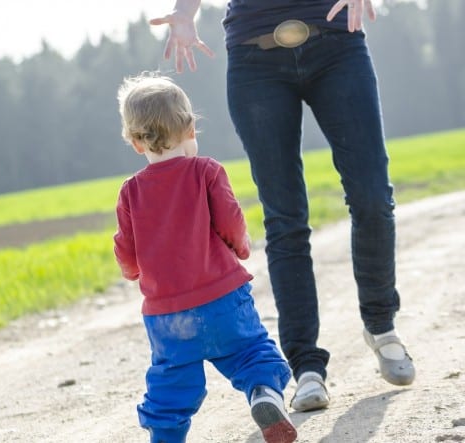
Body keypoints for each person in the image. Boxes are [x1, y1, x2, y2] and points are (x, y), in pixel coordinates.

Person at [150, 0, 416, 413]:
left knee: (373, 197)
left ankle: (381, 327)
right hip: (256, 60)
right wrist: (185, 13)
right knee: (285, 217)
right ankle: (307, 366)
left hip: (337, 45)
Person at [114, 73, 298, 443]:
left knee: (171, 380)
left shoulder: (131, 191)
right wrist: (241, 247)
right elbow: (230, 219)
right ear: (190, 128)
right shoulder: (206, 171)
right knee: (250, 351)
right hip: (222, 299)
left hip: (167, 314)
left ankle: (165, 435)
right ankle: (264, 392)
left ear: (135, 142)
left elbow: (126, 248)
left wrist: (134, 271)